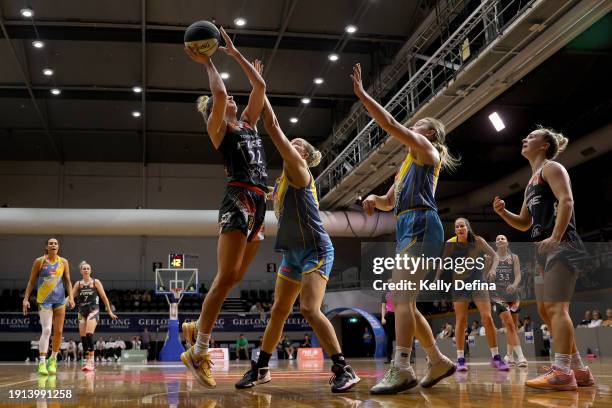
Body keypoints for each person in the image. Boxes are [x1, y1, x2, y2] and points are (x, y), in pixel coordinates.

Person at [235, 87, 359, 392]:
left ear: (304, 155)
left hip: (316, 249)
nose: (293, 142)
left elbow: (274, 127)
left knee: (309, 309)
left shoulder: (300, 171)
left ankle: (344, 368)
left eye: (298, 143)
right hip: (291, 252)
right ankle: (261, 367)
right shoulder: (283, 181)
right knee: (278, 310)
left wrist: (259, 88)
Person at [354, 61, 457, 394]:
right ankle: (437, 360)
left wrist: (364, 96)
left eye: (422, 124)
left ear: (430, 134)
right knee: (406, 301)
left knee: (400, 297)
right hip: (406, 224)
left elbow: (390, 122)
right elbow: (388, 201)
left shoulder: (427, 151)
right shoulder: (407, 164)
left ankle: (401, 367)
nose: (416, 124)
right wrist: (373, 200)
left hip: (422, 223)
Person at [180, 26, 268, 389]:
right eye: (227, 98)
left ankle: (195, 328)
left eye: (234, 97)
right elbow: (217, 92)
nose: (231, 97)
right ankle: (198, 349)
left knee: (234, 278)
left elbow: (260, 88)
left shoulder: (248, 122)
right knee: (223, 276)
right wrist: (209, 61)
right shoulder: (219, 128)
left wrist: (234, 54)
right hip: (238, 199)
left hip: (260, 202)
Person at [493, 125, 595, 390]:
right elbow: (525, 223)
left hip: (562, 244)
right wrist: (504, 213)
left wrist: (556, 236)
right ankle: (579, 370)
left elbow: (567, 201)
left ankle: (562, 371)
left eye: (532, 137)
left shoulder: (552, 168)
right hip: (544, 249)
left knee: (556, 308)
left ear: (545, 145)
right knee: (544, 310)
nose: (525, 139)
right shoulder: (531, 182)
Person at [435, 218, 509, 372]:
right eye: (456, 227)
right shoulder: (450, 243)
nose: (459, 228)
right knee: (461, 320)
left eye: (462, 225)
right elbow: (443, 262)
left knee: (487, 317)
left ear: (467, 228)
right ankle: (461, 359)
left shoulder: (478, 241)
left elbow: (495, 256)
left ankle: (496, 357)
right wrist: (436, 278)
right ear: (455, 230)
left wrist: (494, 269)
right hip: (459, 285)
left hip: (477, 281)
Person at [22, 237, 75, 375]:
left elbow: (68, 281)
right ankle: (42, 362)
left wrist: (71, 297)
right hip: (44, 301)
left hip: (60, 301)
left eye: (56, 243)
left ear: (58, 247)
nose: (53, 245)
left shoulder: (64, 262)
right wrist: (26, 299)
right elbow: (31, 281)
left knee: (58, 332)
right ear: (47, 247)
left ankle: (53, 359)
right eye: (51, 243)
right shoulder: (39, 261)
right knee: (46, 330)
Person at [71, 261, 117, 371]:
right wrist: (62, 304)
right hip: (81, 311)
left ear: (90, 270)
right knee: (83, 338)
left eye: (88, 268)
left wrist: (109, 311)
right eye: (84, 268)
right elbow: (71, 297)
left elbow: (104, 297)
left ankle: (91, 362)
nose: (86, 270)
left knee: (88, 334)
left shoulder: (96, 282)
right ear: (81, 271)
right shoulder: (78, 284)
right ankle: (87, 362)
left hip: (93, 310)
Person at [380, 280, 395, 364]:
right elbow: (383, 307)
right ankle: (388, 357)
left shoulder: (398, 292)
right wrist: (382, 317)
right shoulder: (385, 294)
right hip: (389, 315)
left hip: (398, 315)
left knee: (401, 336)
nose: (391, 285)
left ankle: (404, 357)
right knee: (389, 337)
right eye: (389, 283)